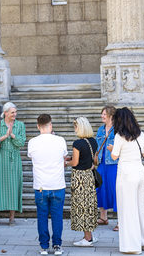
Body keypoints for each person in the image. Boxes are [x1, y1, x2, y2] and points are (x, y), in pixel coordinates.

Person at [107, 107, 144, 254]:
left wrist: (112, 149)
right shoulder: (141, 134)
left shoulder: (119, 136)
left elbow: (114, 156)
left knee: (128, 209)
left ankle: (132, 246)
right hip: (139, 172)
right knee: (139, 208)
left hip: (126, 173)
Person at [27, 114, 67, 255]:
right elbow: (64, 156)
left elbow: (31, 156)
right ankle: (57, 245)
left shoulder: (32, 142)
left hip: (40, 185)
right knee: (57, 216)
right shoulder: (60, 140)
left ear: (38, 126)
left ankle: (44, 246)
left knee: (42, 216)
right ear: (51, 125)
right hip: (57, 184)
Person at [0, 102, 26, 225]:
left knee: (14, 186)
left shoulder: (20, 125)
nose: (14, 114)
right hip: (0, 158)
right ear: (5, 113)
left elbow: (21, 142)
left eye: (15, 112)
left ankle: (12, 217)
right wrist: (5, 136)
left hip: (14, 159)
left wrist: (12, 135)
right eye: (12, 112)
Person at [65, 117, 98, 247]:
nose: (75, 129)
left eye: (76, 127)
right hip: (89, 176)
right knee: (89, 205)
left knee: (81, 206)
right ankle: (90, 235)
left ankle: (87, 238)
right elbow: (94, 161)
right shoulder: (93, 141)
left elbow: (75, 163)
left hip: (79, 178)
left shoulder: (77, 143)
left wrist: (66, 162)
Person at [95, 105, 118, 231]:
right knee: (101, 188)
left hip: (114, 164)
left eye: (105, 114)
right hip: (102, 163)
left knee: (116, 190)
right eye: (102, 113)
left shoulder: (118, 130)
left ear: (111, 116)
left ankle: (121, 220)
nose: (102, 116)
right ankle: (103, 217)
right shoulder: (100, 129)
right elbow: (97, 146)